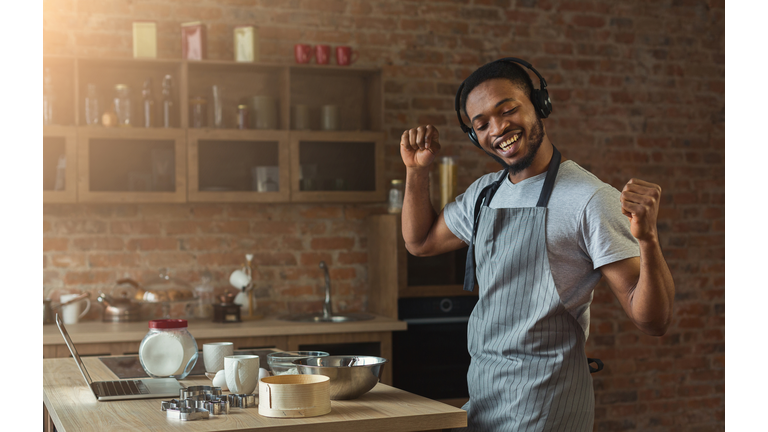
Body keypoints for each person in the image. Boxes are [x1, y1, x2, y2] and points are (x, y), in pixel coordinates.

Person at [399, 58, 675, 431]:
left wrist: (648, 241)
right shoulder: (485, 194)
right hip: (484, 396)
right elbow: (420, 242)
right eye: (481, 124)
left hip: (546, 406)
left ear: (539, 105)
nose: (498, 128)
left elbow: (652, 320)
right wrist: (417, 171)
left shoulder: (588, 199)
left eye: (508, 109)